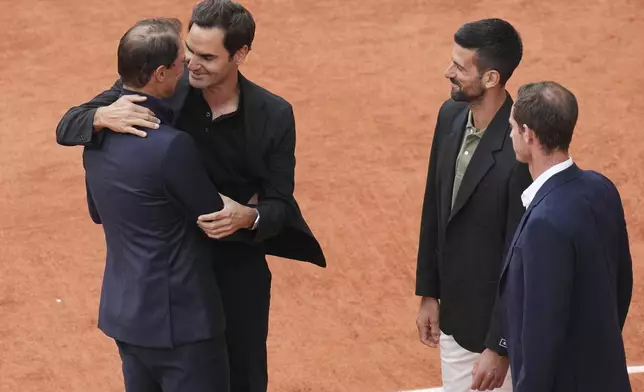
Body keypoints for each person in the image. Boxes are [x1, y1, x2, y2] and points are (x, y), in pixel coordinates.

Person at [56, 1, 325, 391]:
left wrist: (249, 217)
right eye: (190, 51)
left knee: (245, 380)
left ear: (240, 54)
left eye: (207, 56)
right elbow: (68, 124)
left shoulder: (274, 115)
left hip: (235, 274)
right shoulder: (164, 84)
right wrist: (98, 117)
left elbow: (280, 203)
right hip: (174, 276)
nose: (193, 64)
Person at [84, 18, 231, 391]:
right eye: (182, 63)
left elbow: (98, 213)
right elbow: (211, 216)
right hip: (181, 324)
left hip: (127, 317)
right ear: (161, 74)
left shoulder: (96, 137)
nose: (189, 69)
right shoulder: (171, 146)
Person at [415, 18, 532, 391]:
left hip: (491, 339)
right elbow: (434, 209)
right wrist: (429, 293)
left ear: (492, 78)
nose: (448, 72)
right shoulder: (449, 117)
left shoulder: (522, 153)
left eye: (460, 67)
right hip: (454, 318)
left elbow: (520, 259)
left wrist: (500, 344)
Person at [500, 81, 633, 392]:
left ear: (528, 134)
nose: (510, 135)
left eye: (512, 127)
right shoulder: (601, 188)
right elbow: (622, 283)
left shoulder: (544, 223)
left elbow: (541, 334)